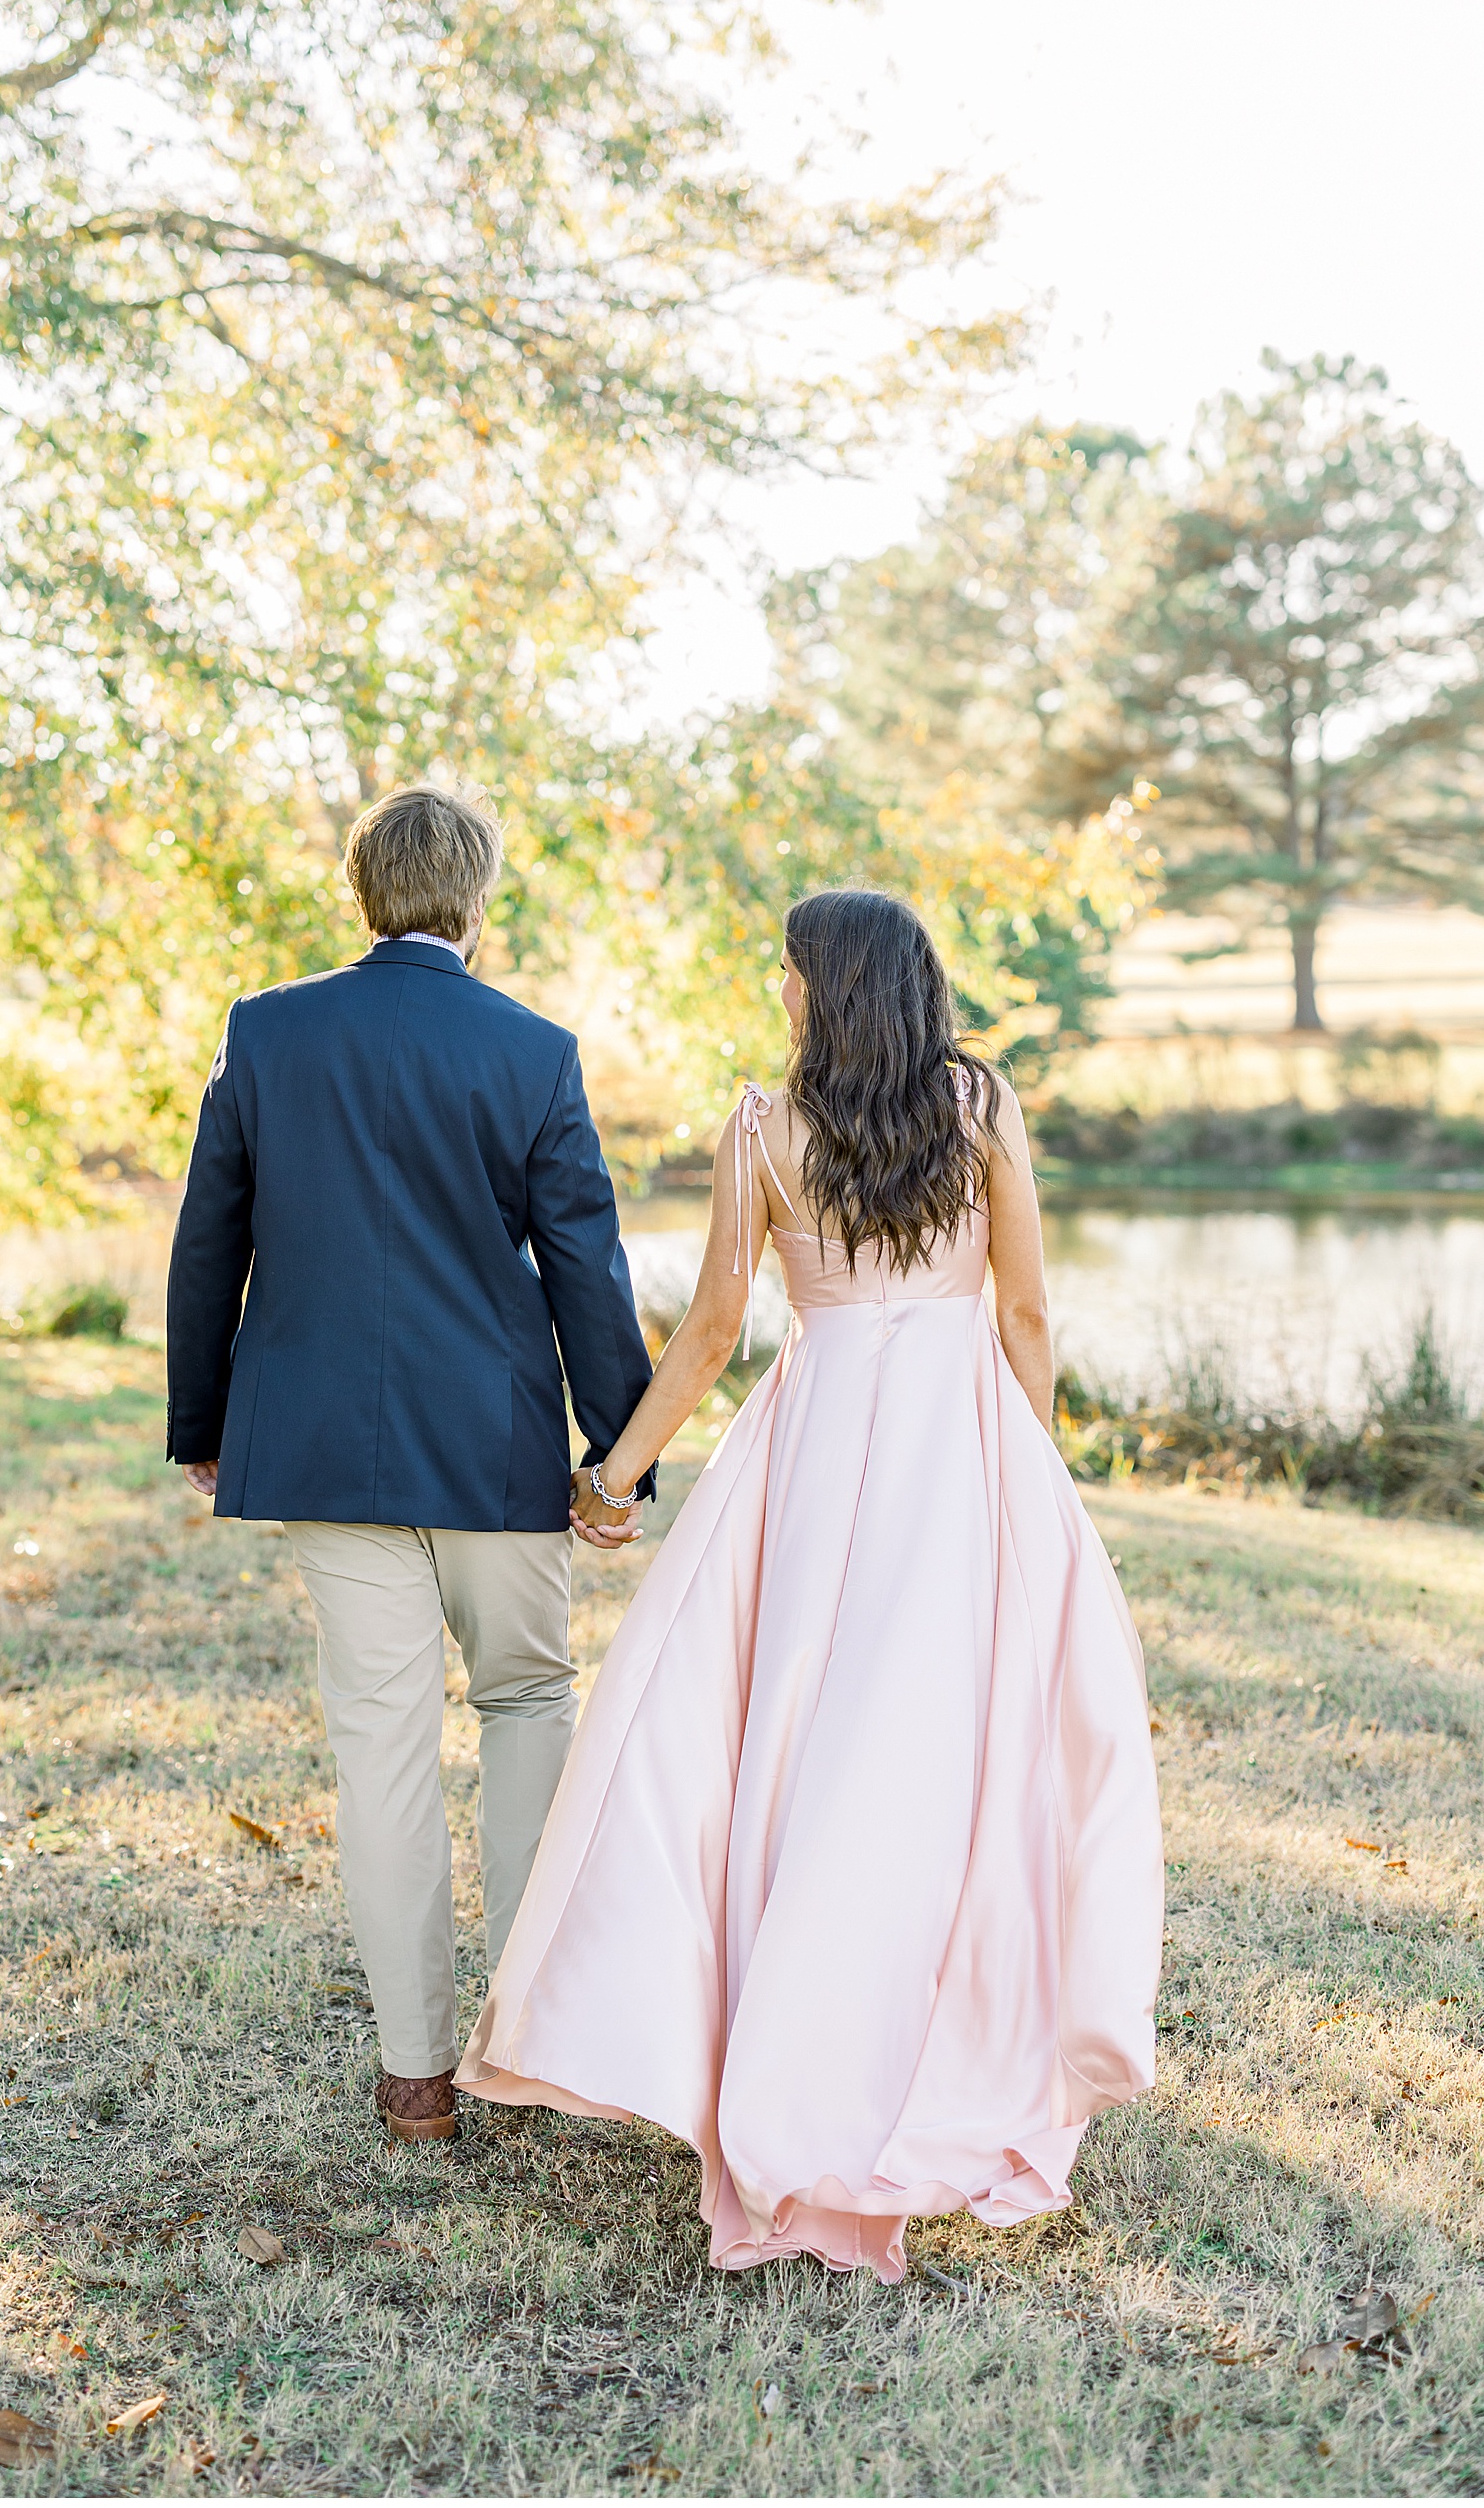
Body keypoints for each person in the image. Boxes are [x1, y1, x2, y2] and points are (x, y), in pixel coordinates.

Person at [458, 884, 1164, 2277]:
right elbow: (1022, 1309)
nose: (778, 990)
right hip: (960, 1456)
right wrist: (1041, 1477)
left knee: (792, 1747)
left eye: (789, 971)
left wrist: (614, 1473)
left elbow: (716, 1324)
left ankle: (799, 2076)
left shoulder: (767, 1129)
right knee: (940, 1765)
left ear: (829, 988)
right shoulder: (981, 1109)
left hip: (821, 1451)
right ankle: (897, 2055)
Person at [166, 782, 654, 2145]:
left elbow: (211, 1239)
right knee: (527, 1710)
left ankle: (415, 2074)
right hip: (495, 1449)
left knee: (377, 1750)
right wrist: (613, 1458)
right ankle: (534, 2036)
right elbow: (585, 1268)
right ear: (477, 897)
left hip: (326, 1448)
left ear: (363, 890)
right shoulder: (535, 1050)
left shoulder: (270, 1032)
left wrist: (202, 1417)